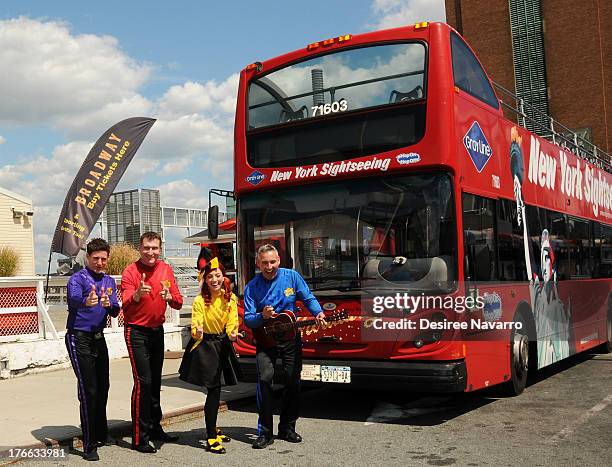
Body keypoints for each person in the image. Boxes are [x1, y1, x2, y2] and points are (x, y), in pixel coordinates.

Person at [244, 244, 326, 449]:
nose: (269, 266)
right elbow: (248, 319)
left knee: (292, 381)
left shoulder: (291, 277)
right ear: (258, 263)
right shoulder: (252, 286)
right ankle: (264, 432)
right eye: (264, 263)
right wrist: (261, 316)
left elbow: (308, 297)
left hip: (290, 338)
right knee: (264, 380)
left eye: (272, 262)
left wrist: (318, 313)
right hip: (265, 340)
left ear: (279, 260)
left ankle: (287, 427)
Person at [121, 231, 183, 453]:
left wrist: (170, 298)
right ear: (140, 249)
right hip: (136, 332)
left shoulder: (165, 268)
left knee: (155, 382)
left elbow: (178, 301)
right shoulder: (130, 271)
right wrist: (137, 294)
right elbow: (125, 304)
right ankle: (140, 437)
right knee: (143, 383)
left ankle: (155, 427)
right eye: (146, 248)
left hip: (157, 331)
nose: (150, 252)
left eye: (154, 248)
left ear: (160, 248)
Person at [65, 238, 120, 461]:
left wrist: (110, 305)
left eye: (103, 259)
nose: (99, 262)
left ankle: (101, 432)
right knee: (89, 390)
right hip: (79, 338)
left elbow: (116, 311)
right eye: (95, 258)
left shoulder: (108, 281)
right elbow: (73, 299)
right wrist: (87, 301)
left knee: (103, 387)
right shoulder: (77, 279)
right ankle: (89, 444)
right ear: (87, 257)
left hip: (99, 338)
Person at [178, 257, 241, 454]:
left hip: (223, 344)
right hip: (204, 346)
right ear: (204, 280)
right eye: (210, 276)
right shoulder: (199, 300)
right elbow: (196, 325)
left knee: (217, 389)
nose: (214, 279)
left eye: (217, 275)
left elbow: (232, 322)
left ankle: (212, 427)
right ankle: (211, 436)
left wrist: (232, 333)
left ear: (224, 277)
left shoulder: (230, 298)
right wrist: (196, 330)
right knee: (213, 390)